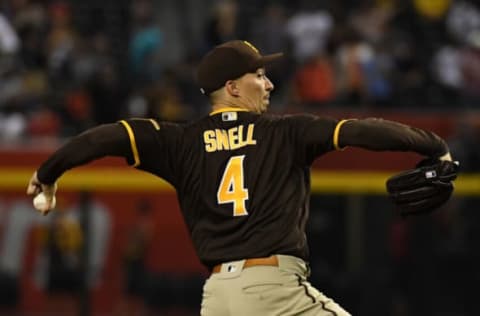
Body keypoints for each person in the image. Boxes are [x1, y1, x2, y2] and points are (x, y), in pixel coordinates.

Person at [27, 40, 454, 315]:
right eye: (259, 75)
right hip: (273, 291)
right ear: (233, 87)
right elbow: (361, 130)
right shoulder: (286, 131)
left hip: (218, 299)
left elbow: (110, 136)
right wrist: (434, 145)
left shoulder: (179, 142)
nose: (268, 84)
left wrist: (48, 174)